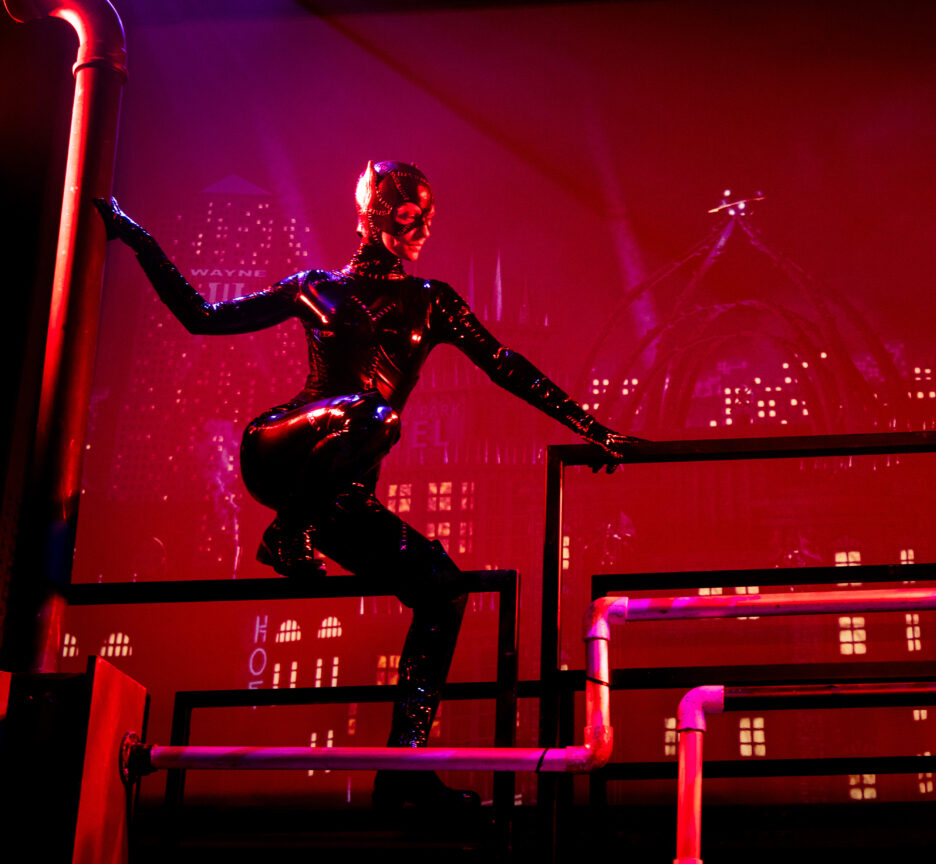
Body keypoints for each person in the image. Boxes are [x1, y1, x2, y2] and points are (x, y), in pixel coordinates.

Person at [95, 160, 637, 810]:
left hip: (340, 496)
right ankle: (285, 531)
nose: (420, 229)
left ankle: (401, 773)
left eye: (427, 217)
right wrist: (138, 238)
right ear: (376, 214)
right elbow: (203, 315)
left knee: (444, 589)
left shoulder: (431, 301)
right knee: (377, 414)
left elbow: (504, 364)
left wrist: (591, 426)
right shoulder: (315, 288)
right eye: (408, 215)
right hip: (281, 452)